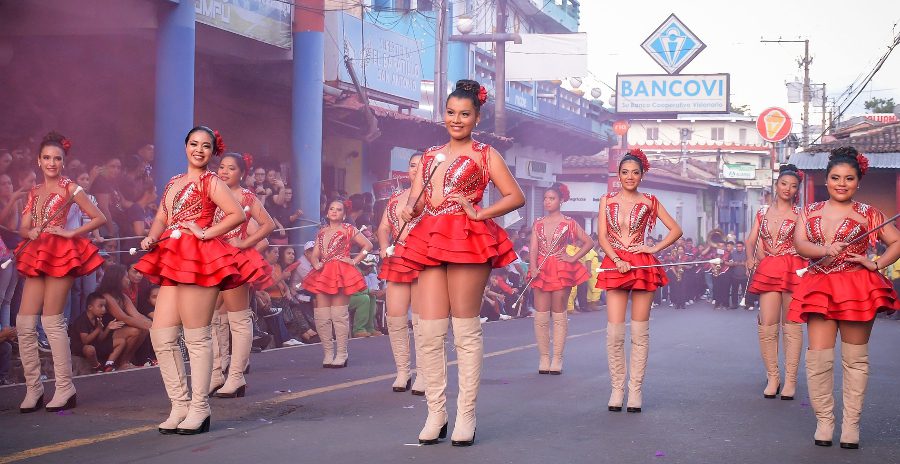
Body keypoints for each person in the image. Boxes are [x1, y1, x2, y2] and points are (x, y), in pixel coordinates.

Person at [397, 79, 525, 446]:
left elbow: (514, 195)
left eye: (464, 114)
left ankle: (466, 414)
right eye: (451, 113)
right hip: (430, 238)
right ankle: (436, 413)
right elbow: (421, 202)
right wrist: (410, 208)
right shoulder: (430, 155)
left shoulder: (486, 155)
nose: (456, 119)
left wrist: (481, 212)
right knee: (430, 331)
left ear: (477, 117)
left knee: (465, 331)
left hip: (468, 238)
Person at [134, 126, 246, 435]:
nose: (199, 149)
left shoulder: (212, 182)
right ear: (186, 147)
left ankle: (200, 407)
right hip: (173, 257)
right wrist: (152, 236)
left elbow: (237, 214)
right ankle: (179, 404)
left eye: (206, 146)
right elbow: (161, 216)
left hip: (200, 260)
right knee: (161, 334)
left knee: (197, 337)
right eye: (194, 144)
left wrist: (206, 233)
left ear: (212, 152)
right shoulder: (173, 182)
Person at [788, 148, 900, 449]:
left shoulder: (869, 213)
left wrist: (875, 264)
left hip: (856, 287)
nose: (842, 183)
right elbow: (800, 244)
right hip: (820, 287)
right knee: (819, 360)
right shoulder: (808, 212)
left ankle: (851, 426)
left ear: (858, 181)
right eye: (836, 177)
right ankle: (824, 422)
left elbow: (896, 241)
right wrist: (825, 250)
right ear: (826, 179)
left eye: (849, 178)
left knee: (856, 360)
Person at [16, 132, 107, 413]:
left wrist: (71, 232)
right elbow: (22, 228)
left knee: (52, 321)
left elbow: (99, 218)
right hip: (37, 253)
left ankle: (65, 387)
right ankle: (34, 388)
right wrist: (29, 231)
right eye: (47, 158)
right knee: (24, 324)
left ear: (64, 162)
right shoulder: (34, 192)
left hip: (62, 254)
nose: (51, 163)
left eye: (57, 158)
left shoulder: (72, 189)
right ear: (39, 161)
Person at [596, 148, 682, 414]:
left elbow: (676, 230)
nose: (629, 177)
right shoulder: (606, 200)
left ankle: (635, 390)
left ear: (642, 175)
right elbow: (602, 236)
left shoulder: (650, 201)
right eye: (624, 172)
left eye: (635, 172)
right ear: (618, 175)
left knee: (639, 333)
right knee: (614, 333)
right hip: (615, 264)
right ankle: (617, 388)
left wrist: (653, 249)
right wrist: (616, 258)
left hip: (642, 264)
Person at [209, 153, 275, 399]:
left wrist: (245, 243)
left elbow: (268, 225)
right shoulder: (212, 195)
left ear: (242, 174)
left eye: (232, 168)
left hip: (235, 261)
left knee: (237, 318)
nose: (225, 171)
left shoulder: (246, 196)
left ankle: (236, 377)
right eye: (222, 167)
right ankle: (216, 373)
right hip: (213, 260)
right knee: (214, 315)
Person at [745, 164, 806, 400]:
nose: (787, 189)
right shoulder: (762, 212)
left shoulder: (801, 213)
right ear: (776, 185)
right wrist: (750, 258)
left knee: (791, 324)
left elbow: (807, 241)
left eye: (793, 186)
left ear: (797, 190)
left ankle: (790, 380)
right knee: (767, 324)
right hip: (769, 268)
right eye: (784, 184)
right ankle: (773, 376)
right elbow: (750, 240)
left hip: (793, 267)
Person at [528, 183, 593, 374]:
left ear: (561, 200)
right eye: (545, 198)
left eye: (552, 198)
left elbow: (589, 242)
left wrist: (573, 257)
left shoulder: (569, 223)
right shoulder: (538, 222)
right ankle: (543, 358)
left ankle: (557, 358)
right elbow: (533, 247)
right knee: (540, 315)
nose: (547, 201)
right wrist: (532, 267)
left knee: (558, 313)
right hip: (540, 269)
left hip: (560, 268)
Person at [302, 200, 373, 368]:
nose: (334, 211)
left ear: (344, 214)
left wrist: (355, 261)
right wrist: (315, 263)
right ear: (327, 213)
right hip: (323, 272)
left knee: (339, 315)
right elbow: (315, 254)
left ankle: (342, 353)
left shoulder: (349, 229)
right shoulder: (321, 231)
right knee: (321, 316)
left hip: (341, 272)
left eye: (338, 209)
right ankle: (328, 353)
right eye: (331, 209)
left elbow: (367, 245)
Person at [377, 153, 424, 393]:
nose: (415, 169)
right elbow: (383, 227)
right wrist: (385, 246)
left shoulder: (433, 197)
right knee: (394, 316)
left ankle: (424, 373)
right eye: (412, 165)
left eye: (420, 164)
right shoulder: (395, 199)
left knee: (421, 319)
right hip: (397, 259)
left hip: (423, 259)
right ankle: (403, 371)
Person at [96, 264, 152, 370]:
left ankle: (126, 361)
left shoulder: (123, 297)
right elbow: (124, 318)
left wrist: (153, 324)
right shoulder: (106, 296)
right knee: (135, 331)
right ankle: (122, 363)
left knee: (143, 330)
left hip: (117, 331)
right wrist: (152, 327)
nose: (128, 280)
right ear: (117, 279)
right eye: (126, 277)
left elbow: (137, 315)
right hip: (104, 334)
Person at [69, 292, 125, 372]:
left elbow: (100, 339)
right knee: (90, 349)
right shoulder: (82, 320)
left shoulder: (97, 318)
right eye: (100, 306)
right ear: (90, 307)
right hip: (82, 348)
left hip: (95, 345)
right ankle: (97, 367)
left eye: (104, 306)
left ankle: (108, 364)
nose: (104, 310)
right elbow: (85, 341)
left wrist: (108, 328)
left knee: (121, 341)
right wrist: (98, 329)